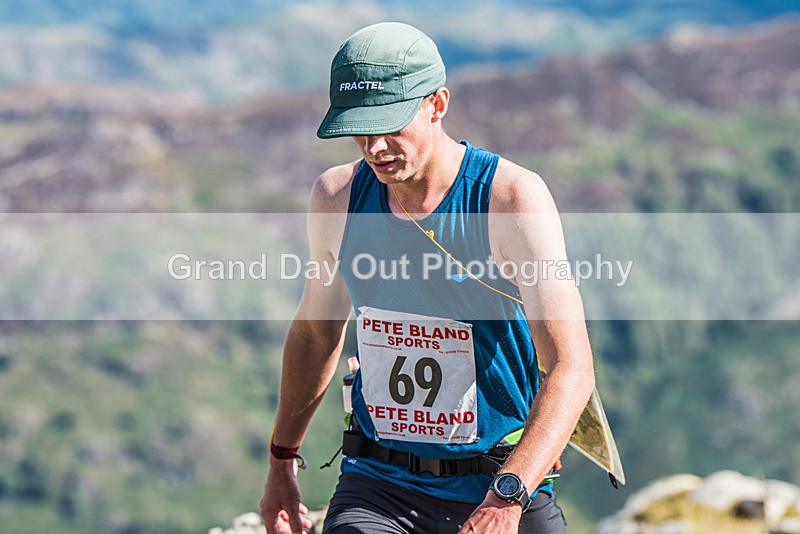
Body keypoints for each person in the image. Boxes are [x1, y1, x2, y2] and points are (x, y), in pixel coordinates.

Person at [260, 22, 596, 534]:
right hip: (378, 485)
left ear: (437, 104)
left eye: (390, 125)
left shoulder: (510, 200)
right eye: (360, 128)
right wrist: (281, 461)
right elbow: (315, 334)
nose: (375, 147)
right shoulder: (337, 198)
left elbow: (571, 366)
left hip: (499, 481)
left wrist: (508, 497)